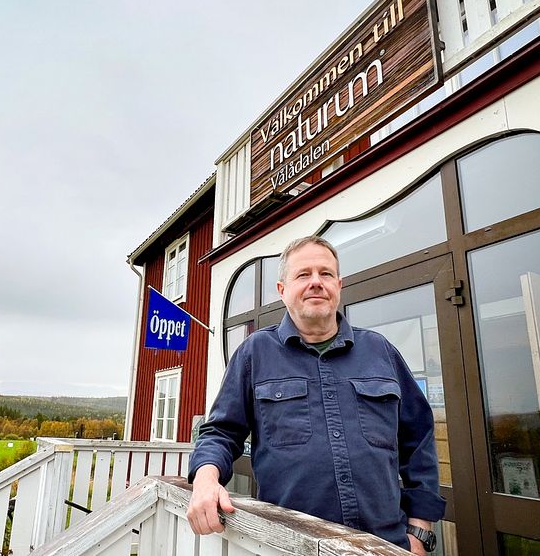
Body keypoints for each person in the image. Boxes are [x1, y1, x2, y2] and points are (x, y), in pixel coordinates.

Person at [186, 235, 445, 554]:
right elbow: (221, 433)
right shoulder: (255, 354)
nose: (316, 283)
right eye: (303, 274)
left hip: (384, 545)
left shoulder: (380, 351)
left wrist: (421, 530)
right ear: (282, 291)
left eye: (325, 274)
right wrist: (205, 480)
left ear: (339, 285)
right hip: (290, 546)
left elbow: (418, 437)